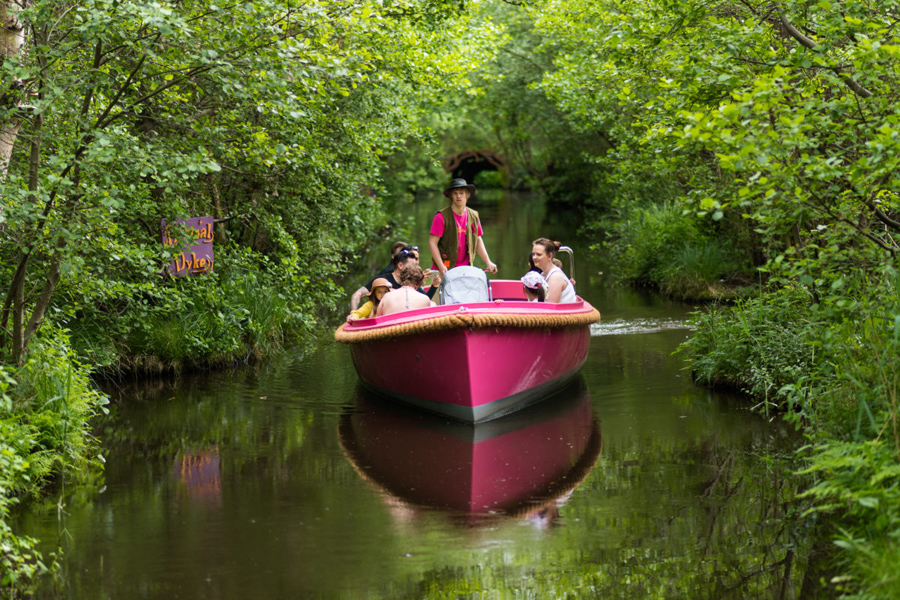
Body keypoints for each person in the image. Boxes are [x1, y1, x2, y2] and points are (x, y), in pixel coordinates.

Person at [428, 178, 497, 277]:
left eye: (461, 193)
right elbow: (432, 243)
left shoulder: (474, 216)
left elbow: (477, 239)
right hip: (443, 268)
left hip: (465, 270)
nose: (458, 196)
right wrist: (441, 266)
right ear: (451, 196)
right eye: (455, 193)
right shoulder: (441, 217)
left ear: (467, 195)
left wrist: (488, 262)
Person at [349, 241, 410, 310]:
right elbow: (356, 295)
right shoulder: (385, 276)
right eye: (401, 252)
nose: (404, 255)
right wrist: (353, 313)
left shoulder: (412, 279)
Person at [531, 238, 577, 303]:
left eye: (538, 254)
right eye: (533, 254)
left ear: (549, 256)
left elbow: (549, 308)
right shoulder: (543, 275)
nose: (534, 257)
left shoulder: (555, 278)